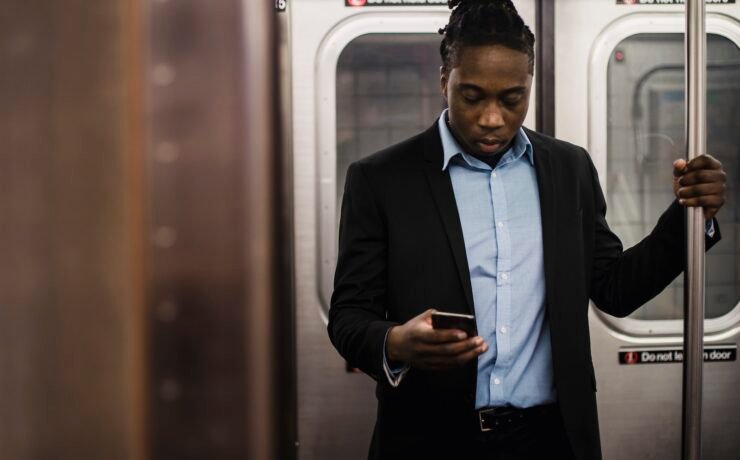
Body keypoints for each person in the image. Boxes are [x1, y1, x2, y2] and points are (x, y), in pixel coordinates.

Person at [327, 1, 727, 459]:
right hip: (430, 439)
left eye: (512, 99)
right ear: (445, 81)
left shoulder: (568, 168)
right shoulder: (381, 179)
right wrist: (395, 342)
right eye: (472, 97)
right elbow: (349, 316)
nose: (492, 118)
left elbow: (614, 287)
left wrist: (691, 215)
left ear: (529, 87)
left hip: (549, 440)